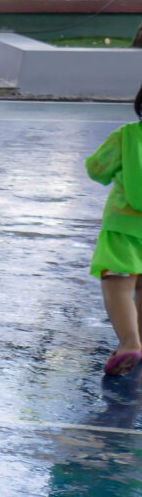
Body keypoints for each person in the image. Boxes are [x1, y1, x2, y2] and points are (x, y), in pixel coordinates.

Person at [88, 85, 142, 377]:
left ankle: (129, 343)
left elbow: (96, 169)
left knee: (118, 284)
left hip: (123, 226)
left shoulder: (126, 136)